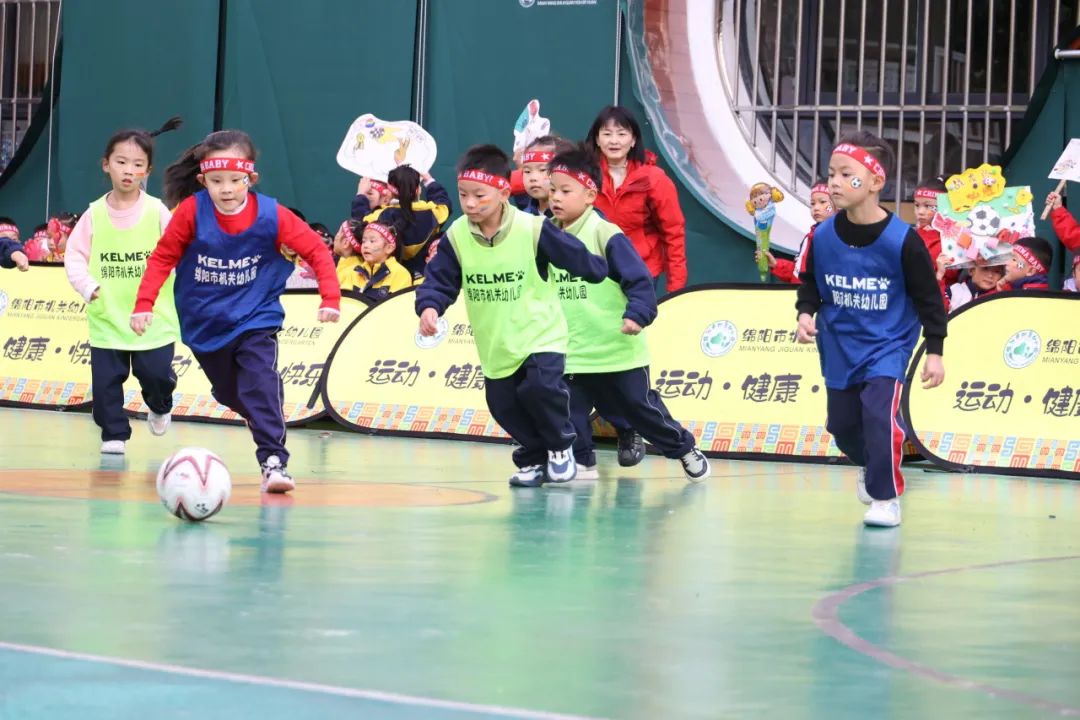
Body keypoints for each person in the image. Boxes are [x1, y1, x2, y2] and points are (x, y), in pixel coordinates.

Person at [131, 129, 341, 493]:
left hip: (256, 316)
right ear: (203, 180)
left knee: (259, 383)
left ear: (250, 178)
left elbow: (317, 251)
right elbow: (163, 257)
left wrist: (330, 299)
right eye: (216, 181)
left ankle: (274, 462)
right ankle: (260, 409)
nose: (226, 189)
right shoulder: (191, 212)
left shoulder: (272, 215)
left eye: (234, 180)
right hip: (205, 321)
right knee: (233, 394)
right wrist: (143, 304)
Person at [417, 144, 608, 487]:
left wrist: (599, 269)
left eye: (479, 195)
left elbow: (574, 255)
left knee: (541, 388)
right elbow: (440, 279)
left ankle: (561, 446)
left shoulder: (532, 228)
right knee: (502, 405)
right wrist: (430, 306)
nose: (470, 203)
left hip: (540, 333)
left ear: (504, 192)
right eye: (463, 195)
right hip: (497, 343)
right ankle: (534, 458)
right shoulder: (457, 236)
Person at [795, 131, 947, 528]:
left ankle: (885, 498)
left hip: (888, 346)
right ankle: (871, 462)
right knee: (842, 426)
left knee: (880, 416)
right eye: (832, 173)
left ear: (876, 181)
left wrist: (935, 350)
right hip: (839, 345)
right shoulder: (822, 236)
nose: (834, 183)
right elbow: (809, 282)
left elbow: (929, 298)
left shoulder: (904, 241)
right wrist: (805, 313)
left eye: (847, 175)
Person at [546, 145, 710, 482]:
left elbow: (639, 280)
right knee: (568, 411)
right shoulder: (545, 234)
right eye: (552, 190)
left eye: (565, 190)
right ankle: (582, 464)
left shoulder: (604, 233)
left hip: (617, 350)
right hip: (571, 350)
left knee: (642, 410)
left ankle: (684, 448)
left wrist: (637, 314)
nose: (556, 198)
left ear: (590, 195)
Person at [65, 118, 183, 455]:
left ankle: (160, 405)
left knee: (156, 375)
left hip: (153, 318)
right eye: (121, 162)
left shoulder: (157, 211)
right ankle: (113, 433)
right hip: (107, 317)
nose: (128, 170)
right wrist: (88, 287)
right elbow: (74, 256)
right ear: (106, 165)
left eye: (137, 164)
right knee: (105, 385)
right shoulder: (93, 214)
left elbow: (177, 249)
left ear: (148, 170)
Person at [586, 106, 688, 292]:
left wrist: (676, 287)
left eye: (621, 134)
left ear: (633, 140)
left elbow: (673, 232)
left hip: (642, 269)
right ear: (597, 140)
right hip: (597, 269)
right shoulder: (585, 176)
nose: (614, 141)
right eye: (607, 134)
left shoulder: (653, 178)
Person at [351, 165, 451, 281]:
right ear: (418, 190)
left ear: (389, 192)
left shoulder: (381, 216)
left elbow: (360, 221)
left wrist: (361, 194)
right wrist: (429, 180)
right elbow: (444, 203)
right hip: (424, 278)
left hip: (391, 280)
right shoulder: (434, 213)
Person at [756, 180, 833, 283]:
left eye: (822, 202)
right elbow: (799, 273)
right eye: (812, 203)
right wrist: (776, 264)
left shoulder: (839, 239)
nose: (816, 208)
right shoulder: (809, 237)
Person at [354, 221, 412, 303]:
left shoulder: (400, 274)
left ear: (389, 248)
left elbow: (398, 307)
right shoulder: (353, 272)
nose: (365, 246)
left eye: (372, 241)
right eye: (363, 241)